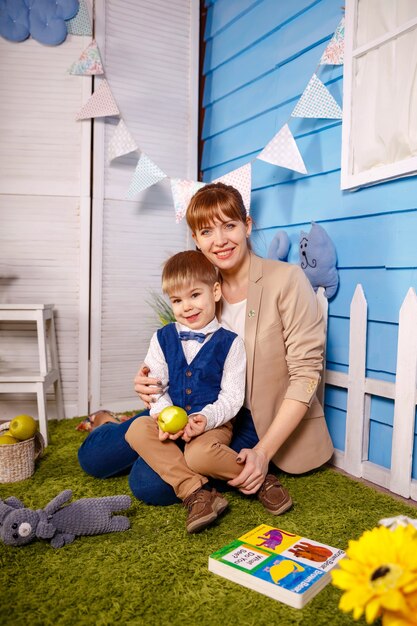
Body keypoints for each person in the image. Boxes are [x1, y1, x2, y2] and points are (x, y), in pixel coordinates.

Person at [134, 182, 334, 501]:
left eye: (229, 226)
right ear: (196, 240)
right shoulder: (201, 289)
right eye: (206, 232)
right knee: (105, 452)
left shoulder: (286, 280)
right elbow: (177, 353)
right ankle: (110, 425)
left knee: (148, 485)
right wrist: (149, 382)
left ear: (247, 225)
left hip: (256, 419)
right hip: (201, 409)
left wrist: (263, 452)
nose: (220, 241)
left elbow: (306, 375)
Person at [124, 250, 247, 533]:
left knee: (198, 455)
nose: (187, 307)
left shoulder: (232, 343)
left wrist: (205, 419)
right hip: (171, 420)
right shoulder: (162, 337)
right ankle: (196, 492)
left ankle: (259, 479)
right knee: (136, 429)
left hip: (212, 424)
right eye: (177, 300)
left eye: (194, 295)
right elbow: (155, 386)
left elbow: (231, 398)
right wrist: (165, 412)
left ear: (215, 291)